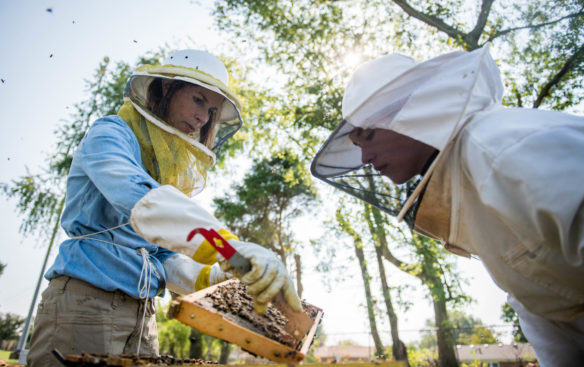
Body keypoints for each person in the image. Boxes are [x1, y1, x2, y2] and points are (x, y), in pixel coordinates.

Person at [311, 46, 584, 366]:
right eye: (357, 147)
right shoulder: (468, 184)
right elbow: (541, 308)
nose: (365, 159)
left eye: (368, 136)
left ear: (413, 111)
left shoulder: (497, 146)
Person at [27, 49, 301, 367]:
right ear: (167, 88)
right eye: (198, 100)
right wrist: (229, 249)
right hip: (87, 303)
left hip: (143, 313)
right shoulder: (109, 134)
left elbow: (161, 258)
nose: (203, 118)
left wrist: (224, 278)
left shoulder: (162, 172)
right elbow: (141, 201)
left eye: (211, 110)